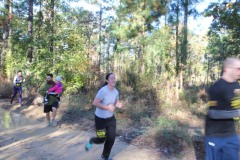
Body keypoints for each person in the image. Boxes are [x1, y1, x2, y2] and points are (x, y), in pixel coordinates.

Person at [205, 57, 240, 160]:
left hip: (231, 134)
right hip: (215, 135)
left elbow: (236, 105)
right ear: (227, 69)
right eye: (238, 68)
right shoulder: (216, 87)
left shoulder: (237, 86)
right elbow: (213, 113)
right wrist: (236, 113)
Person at [85, 73, 123, 160]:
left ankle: (105, 156)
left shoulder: (116, 91)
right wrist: (107, 107)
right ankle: (91, 141)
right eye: (111, 78)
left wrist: (118, 105)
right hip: (100, 120)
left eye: (114, 78)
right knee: (101, 139)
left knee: (111, 138)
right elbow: (95, 103)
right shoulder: (103, 91)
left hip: (110, 119)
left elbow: (115, 102)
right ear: (107, 80)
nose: (114, 80)